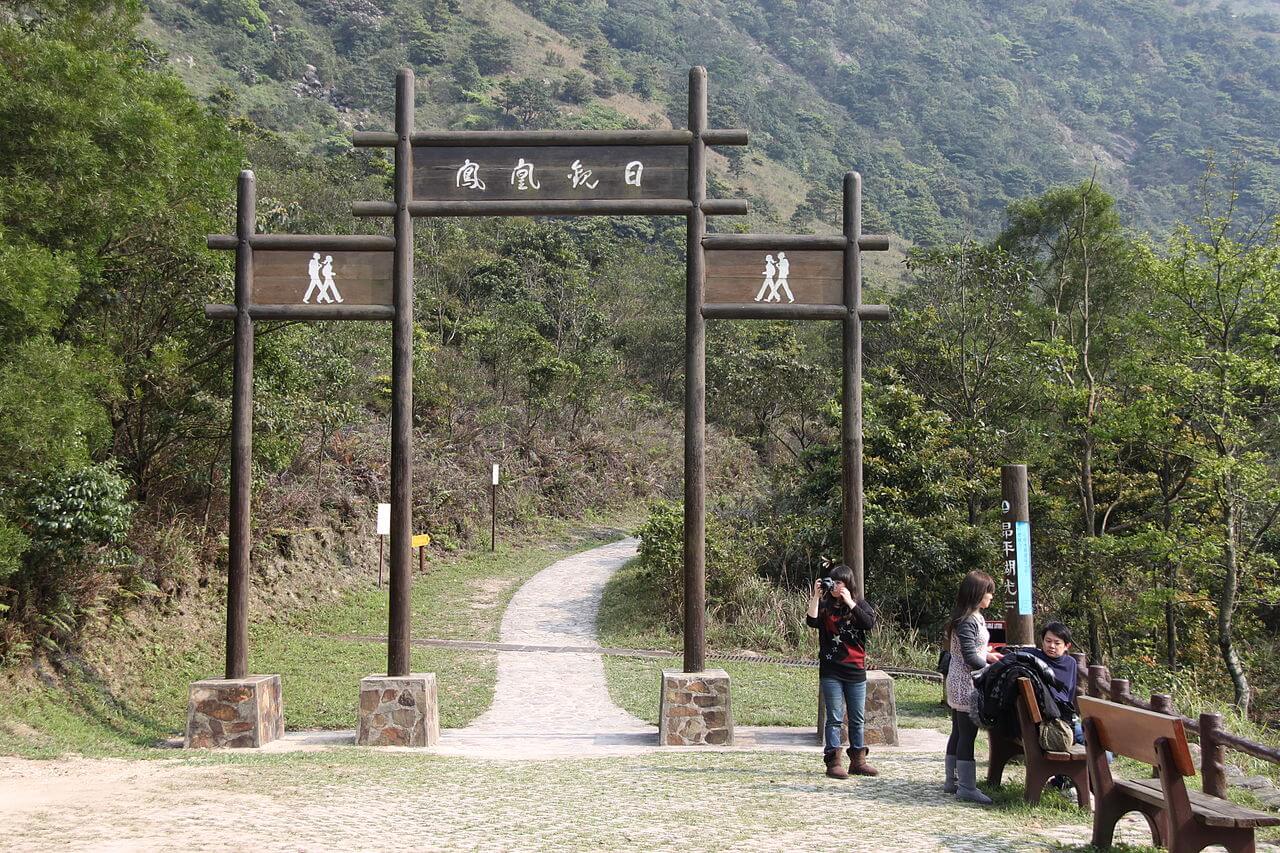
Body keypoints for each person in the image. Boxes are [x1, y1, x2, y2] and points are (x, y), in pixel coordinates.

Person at [806, 564, 878, 779]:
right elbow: (811, 621)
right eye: (832, 582)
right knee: (834, 718)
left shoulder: (860, 605)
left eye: (839, 582)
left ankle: (858, 761)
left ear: (848, 585)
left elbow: (868, 624)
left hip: (855, 670)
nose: (835, 586)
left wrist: (849, 602)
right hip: (831, 670)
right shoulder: (826, 606)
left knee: (857, 718)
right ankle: (833, 762)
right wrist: (816, 597)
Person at [943, 570, 1002, 804]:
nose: (991, 597)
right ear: (978, 594)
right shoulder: (968, 620)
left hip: (960, 679)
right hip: (966, 682)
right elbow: (969, 657)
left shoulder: (970, 616)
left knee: (958, 731)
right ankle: (966, 786)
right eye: (989, 592)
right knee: (967, 734)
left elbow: (974, 650)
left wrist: (987, 655)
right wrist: (992, 667)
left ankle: (953, 781)